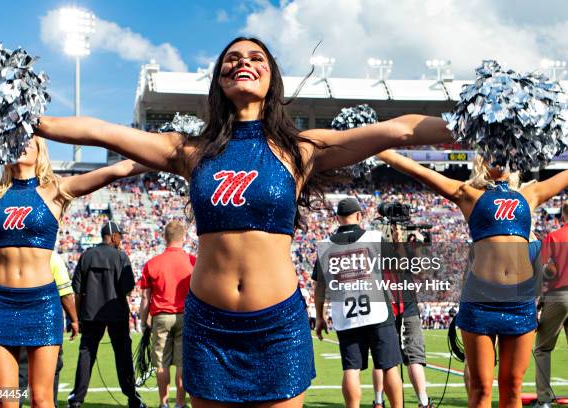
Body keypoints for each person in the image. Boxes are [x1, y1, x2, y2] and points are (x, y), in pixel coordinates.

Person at [37, 36, 454, 407]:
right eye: (232, 59)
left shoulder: (301, 150)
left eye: (257, 58)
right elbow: (98, 131)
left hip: (278, 326)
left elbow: (398, 131)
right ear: (219, 80)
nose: (243, 63)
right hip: (209, 325)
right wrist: (30, 121)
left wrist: (473, 124)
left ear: (272, 78)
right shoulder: (190, 151)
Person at [0, 135, 150, 408]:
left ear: (40, 151)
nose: (20, 144)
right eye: (16, 139)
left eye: (28, 140)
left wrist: (168, 157)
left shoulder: (56, 191)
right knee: (5, 401)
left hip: (42, 304)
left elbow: (117, 169)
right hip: (1, 303)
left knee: (42, 399)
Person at [376, 149, 568, 408]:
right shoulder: (469, 195)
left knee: (512, 387)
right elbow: (418, 170)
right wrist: (377, 147)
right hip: (480, 302)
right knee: (480, 390)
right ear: (481, 163)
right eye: (492, 153)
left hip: (520, 303)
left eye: (505, 154)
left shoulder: (528, 195)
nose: (500, 158)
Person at [313, 197, 403, 408]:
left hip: (346, 314)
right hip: (377, 310)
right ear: (359, 215)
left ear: (337, 219)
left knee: (351, 368)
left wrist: (319, 317)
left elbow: (320, 287)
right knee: (390, 366)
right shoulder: (374, 237)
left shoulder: (325, 246)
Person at [68, 222, 145, 408]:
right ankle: (132, 398)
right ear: (112, 236)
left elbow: (77, 291)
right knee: (123, 354)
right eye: (119, 235)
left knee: (86, 353)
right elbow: (128, 289)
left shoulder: (86, 256)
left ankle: (77, 399)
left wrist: (76, 317)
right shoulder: (120, 257)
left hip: (90, 313)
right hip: (116, 312)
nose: (121, 239)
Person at [373, 225, 432, 408]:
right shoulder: (403, 247)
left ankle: (379, 401)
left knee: (382, 357)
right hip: (405, 305)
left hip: (384, 305)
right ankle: (423, 402)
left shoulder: (373, 246)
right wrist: (416, 247)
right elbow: (421, 272)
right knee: (413, 356)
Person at [139, 221, 195, 408]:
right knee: (182, 362)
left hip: (161, 316)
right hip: (185, 316)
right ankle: (179, 403)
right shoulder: (192, 262)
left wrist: (142, 320)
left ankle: (163, 404)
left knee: (161, 362)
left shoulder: (152, 264)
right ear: (183, 237)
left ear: (165, 238)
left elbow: (146, 298)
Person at [19, 251, 79, 408]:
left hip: (19, 321)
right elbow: (65, 293)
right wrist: (74, 319)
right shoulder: (52, 258)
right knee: (50, 371)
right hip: (46, 323)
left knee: (19, 372)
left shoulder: (16, 255)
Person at [533, 202, 568, 408]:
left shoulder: (554, 237)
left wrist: (538, 302)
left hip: (559, 295)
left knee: (543, 349)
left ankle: (544, 400)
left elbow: (547, 272)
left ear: (562, 216)